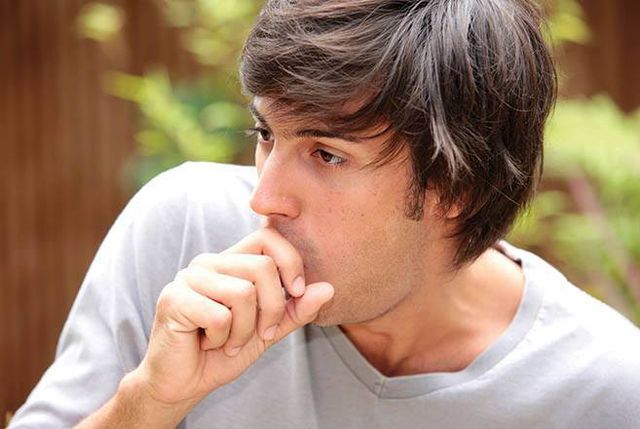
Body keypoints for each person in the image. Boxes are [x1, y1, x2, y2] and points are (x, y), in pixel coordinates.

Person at [9, 0, 640, 427]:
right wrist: (151, 400)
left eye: (327, 154)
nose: (263, 199)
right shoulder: (187, 236)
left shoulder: (607, 391)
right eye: (266, 134)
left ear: (457, 185)